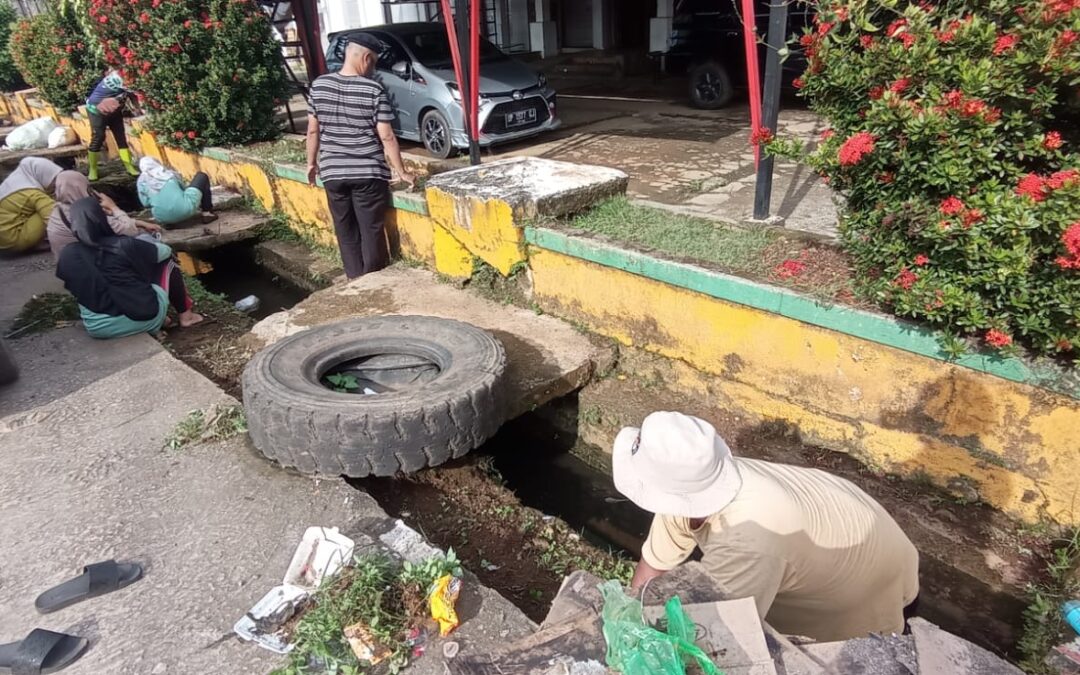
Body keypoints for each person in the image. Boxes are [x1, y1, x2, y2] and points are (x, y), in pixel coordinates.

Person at [613, 411, 919, 642]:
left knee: (820, 653)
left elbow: (721, 634)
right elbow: (653, 566)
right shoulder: (696, 482)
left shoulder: (747, 541)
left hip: (870, 579)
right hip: (848, 526)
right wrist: (632, 619)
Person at [306, 32, 415, 280]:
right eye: (374, 62)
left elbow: (313, 130)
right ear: (365, 58)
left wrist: (311, 164)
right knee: (371, 228)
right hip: (368, 172)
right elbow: (386, 136)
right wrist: (401, 171)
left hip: (333, 171)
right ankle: (372, 280)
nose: (372, 68)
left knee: (345, 229)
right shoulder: (373, 89)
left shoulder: (319, 86)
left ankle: (355, 279)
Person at [56, 197, 203, 339]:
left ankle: (158, 322)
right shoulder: (122, 245)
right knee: (168, 262)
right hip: (141, 318)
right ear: (101, 218)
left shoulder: (67, 254)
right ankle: (186, 317)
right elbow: (164, 251)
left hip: (96, 327)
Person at [46, 170, 160, 259]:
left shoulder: (58, 210)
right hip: (95, 266)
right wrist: (113, 207)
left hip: (73, 269)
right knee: (146, 240)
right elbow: (129, 230)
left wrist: (138, 222)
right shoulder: (84, 213)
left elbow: (109, 223)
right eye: (87, 187)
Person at [85, 70, 140, 180]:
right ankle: (93, 169)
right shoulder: (120, 77)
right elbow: (134, 93)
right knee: (98, 137)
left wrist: (137, 110)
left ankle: (129, 166)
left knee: (121, 137)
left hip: (114, 110)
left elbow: (132, 96)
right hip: (96, 110)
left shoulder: (126, 75)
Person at [0, 157, 62, 253]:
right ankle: (29, 244)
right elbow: (53, 218)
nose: (56, 184)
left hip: (3, 241)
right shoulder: (33, 194)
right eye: (53, 179)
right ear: (43, 175)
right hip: (13, 240)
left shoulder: (13, 184)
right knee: (53, 209)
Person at [136, 157, 216, 226]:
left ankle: (169, 222)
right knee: (202, 176)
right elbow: (183, 189)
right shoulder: (169, 174)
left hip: (162, 218)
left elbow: (145, 204)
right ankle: (207, 213)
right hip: (185, 210)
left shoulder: (141, 182)